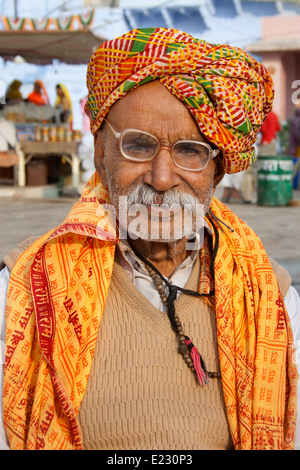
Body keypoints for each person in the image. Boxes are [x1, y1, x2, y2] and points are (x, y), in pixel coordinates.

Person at [0, 28, 299, 451]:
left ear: (217, 169)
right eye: (137, 145)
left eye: (190, 151)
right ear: (101, 152)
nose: (161, 178)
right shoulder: (23, 291)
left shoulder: (271, 298)